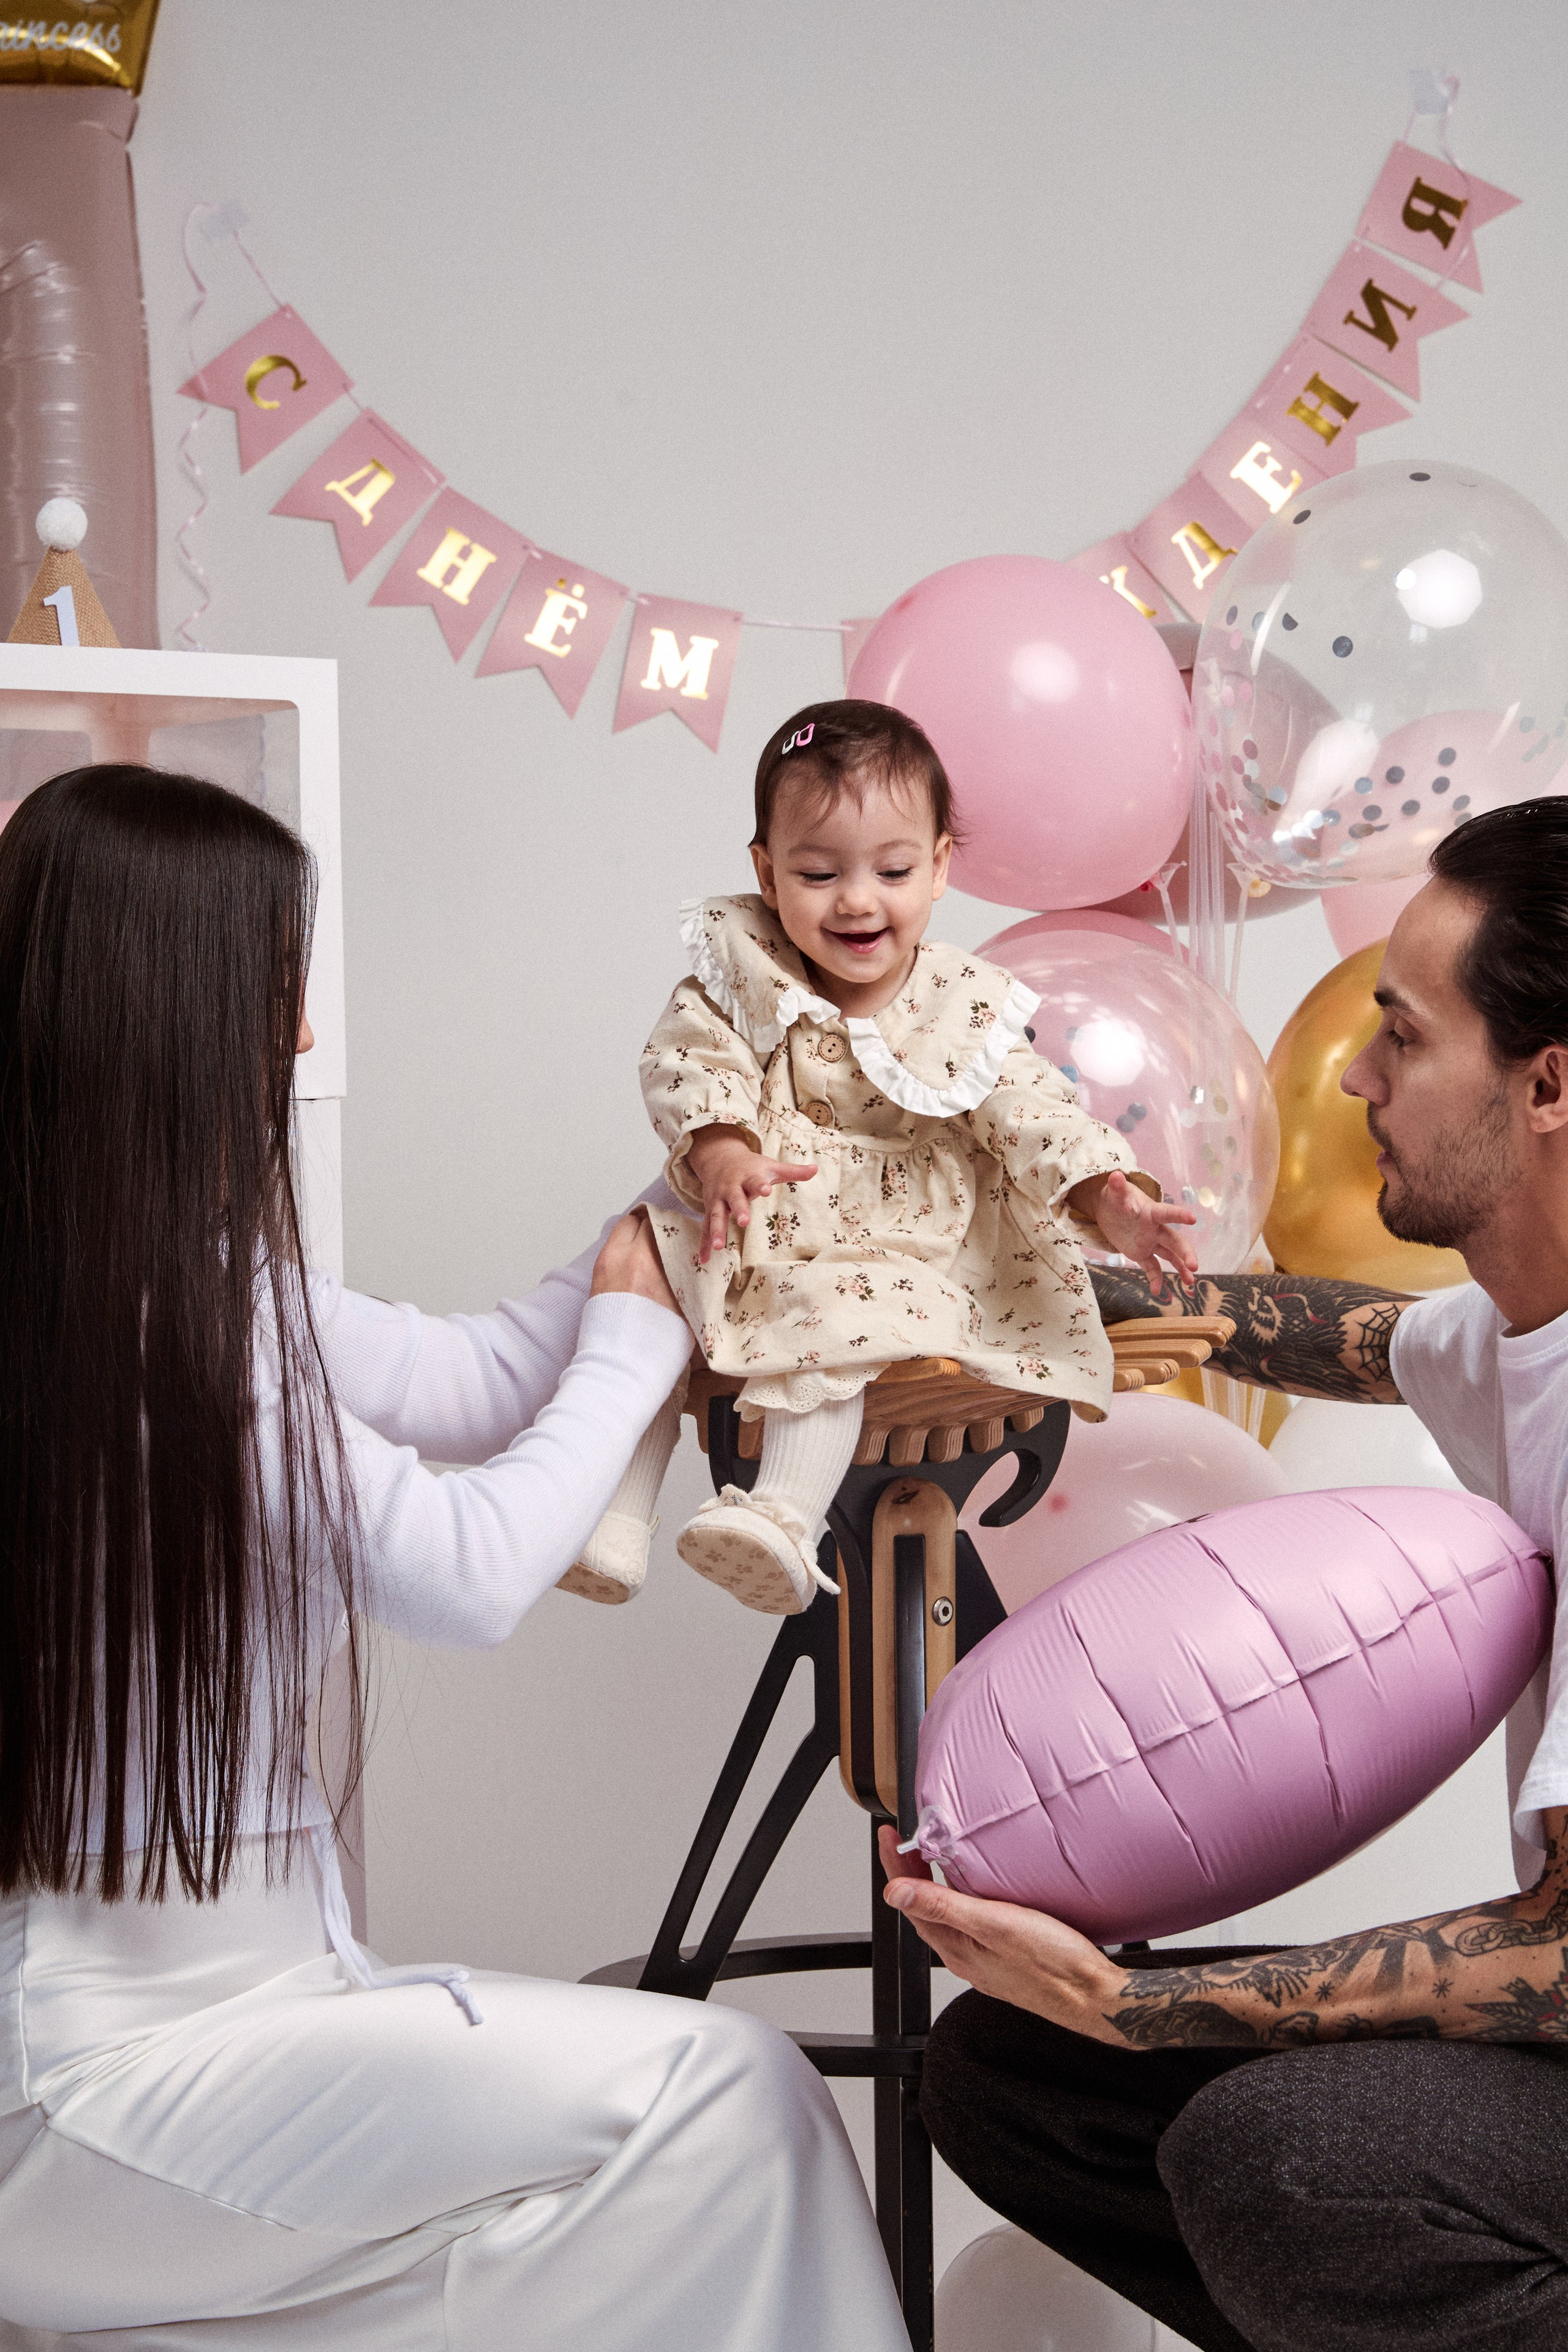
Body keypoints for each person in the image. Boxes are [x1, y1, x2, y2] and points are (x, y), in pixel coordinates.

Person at [0, 765, 911, 2352]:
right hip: (101, 2086)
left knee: (649, 2201)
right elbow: (472, 1572)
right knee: (726, 2095)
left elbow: (480, 1378)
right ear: (173, 998)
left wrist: (705, 1172)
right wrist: (637, 1346)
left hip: (210, 2036)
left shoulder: (171, 1281)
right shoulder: (161, 1329)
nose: (295, 1035)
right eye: (278, 984)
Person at [879, 793, 1568, 2352]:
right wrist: (1092, 1299)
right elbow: (1378, 1342)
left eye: (1402, 1034)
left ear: (1544, 1083)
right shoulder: (1528, 1331)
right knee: (1010, 2079)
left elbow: (1560, 1961)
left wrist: (1137, 2004)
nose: (1352, 1072)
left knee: (1285, 2160)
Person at [560, 699, 1198, 1615]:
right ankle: (613, 1515)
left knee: (851, 1303)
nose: (858, 899)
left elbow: (1032, 1110)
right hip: (759, 1214)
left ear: (938, 866)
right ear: (767, 874)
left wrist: (1112, 1197)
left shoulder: (957, 1006)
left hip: (899, 1245)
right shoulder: (745, 973)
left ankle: (782, 1515)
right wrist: (725, 1149)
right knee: (643, 1263)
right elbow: (689, 1059)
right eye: (818, 872)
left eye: (892, 869)